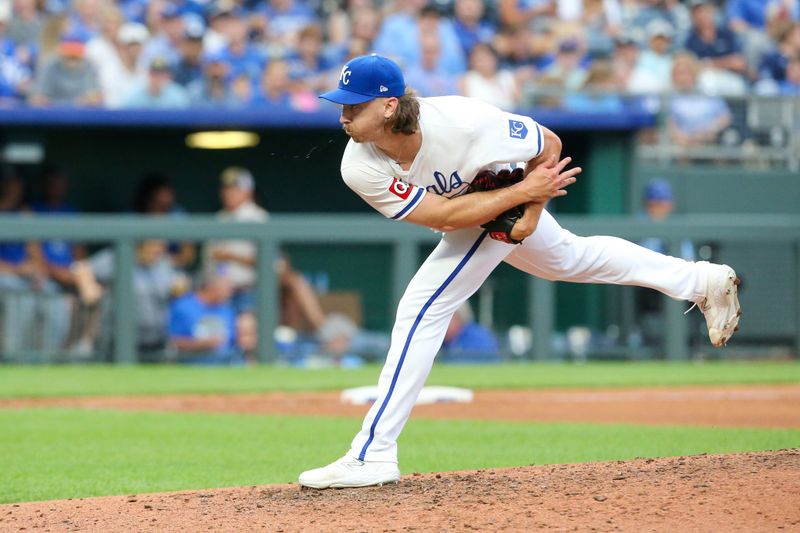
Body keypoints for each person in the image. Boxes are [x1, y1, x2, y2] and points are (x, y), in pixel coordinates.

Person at [298, 54, 741, 489]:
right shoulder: (358, 165)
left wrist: (531, 205)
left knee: (422, 309)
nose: (344, 113)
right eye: (342, 103)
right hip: (488, 205)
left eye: (355, 103)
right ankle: (700, 280)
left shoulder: (463, 121)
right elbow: (445, 216)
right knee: (570, 258)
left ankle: (372, 453)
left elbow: (547, 142)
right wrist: (523, 198)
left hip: (507, 193)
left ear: (390, 105)